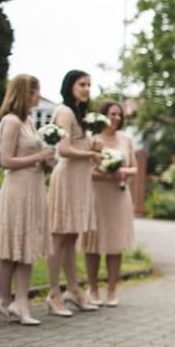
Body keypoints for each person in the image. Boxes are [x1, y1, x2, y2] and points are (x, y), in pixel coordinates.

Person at [0, 74, 55, 325]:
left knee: (28, 245)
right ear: (25, 92)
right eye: (36, 91)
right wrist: (38, 156)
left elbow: (33, 155)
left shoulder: (28, 121)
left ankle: (20, 301)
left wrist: (46, 161)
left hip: (35, 186)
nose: (38, 96)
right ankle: (6, 299)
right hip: (17, 189)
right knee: (11, 247)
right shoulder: (10, 122)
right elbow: (5, 160)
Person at [46, 70, 103, 316]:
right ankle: (52, 293)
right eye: (82, 84)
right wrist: (90, 154)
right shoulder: (64, 112)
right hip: (67, 177)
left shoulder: (81, 115)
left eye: (89, 85)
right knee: (59, 238)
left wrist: (94, 147)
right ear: (70, 85)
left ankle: (73, 289)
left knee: (71, 239)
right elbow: (64, 149)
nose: (87, 88)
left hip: (81, 180)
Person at [82, 100, 137, 307]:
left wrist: (121, 172)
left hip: (119, 196)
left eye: (119, 115)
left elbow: (134, 168)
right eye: (113, 114)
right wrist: (106, 174)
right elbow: (87, 170)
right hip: (97, 195)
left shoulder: (126, 139)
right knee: (93, 244)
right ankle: (93, 289)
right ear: (103, 115)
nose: (116, 118)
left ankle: (112, 290)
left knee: (115, 244)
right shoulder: (92, 138)